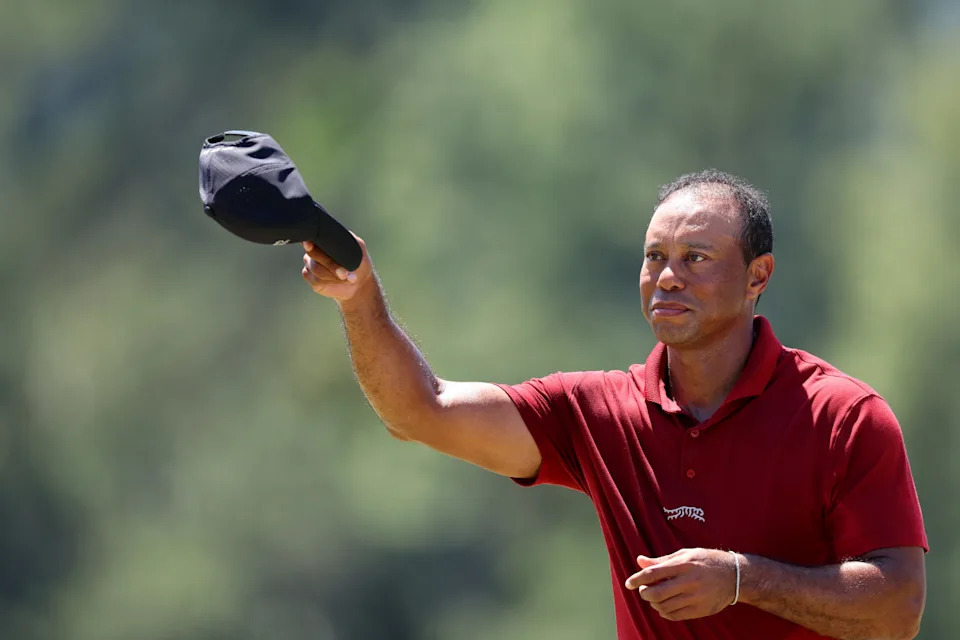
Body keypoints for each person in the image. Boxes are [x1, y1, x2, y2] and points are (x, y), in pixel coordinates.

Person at [300, 169, 927, 639]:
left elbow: (899, 608)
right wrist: (358, 298)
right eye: (655, 256)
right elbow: (420, 411)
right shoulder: (596, 410)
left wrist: (741, 579)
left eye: (696, 258)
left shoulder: (844, 417)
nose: (668, 277)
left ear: (758, 276)